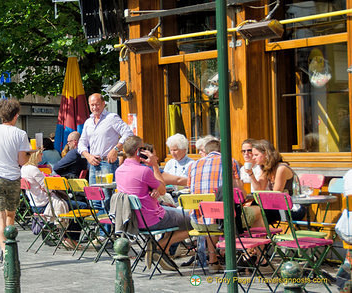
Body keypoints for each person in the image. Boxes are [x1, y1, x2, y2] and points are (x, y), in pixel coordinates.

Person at [116, 135, 191, 271]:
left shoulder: (119, 171)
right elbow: (162, 190)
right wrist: (155, 165)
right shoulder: (144, 170)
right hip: (152, 219)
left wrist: (152, 190)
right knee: (195, 221)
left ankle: (164, 251)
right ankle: (160, 246)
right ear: (139, 151)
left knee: (176, 217)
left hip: (132, 220)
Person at [187, 138, 261, 273]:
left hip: (197, 222)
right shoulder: (230, 162)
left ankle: (213, 261)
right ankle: (253, 255)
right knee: (258, 211)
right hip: (224, 220)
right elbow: (240, 195)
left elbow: (189, 188)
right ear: (222, 151)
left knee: (210, 217)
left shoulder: (193, 165)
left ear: (206, 152)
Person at [0, 99, 30, 263]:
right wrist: (31, 154)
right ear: (16, 116)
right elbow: (22, 161)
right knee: (11, 215)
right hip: (13, 177)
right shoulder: (20, 134)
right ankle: (8, 247)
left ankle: (4, 251)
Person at [78, 93, 133, 209]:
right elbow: (81, 143)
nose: (94, 108)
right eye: (92, 105)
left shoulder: (111, 118)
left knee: (108, 199)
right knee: (94, 199)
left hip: (107, 162)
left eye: (97, 104)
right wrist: (87, 156)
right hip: (93, 163)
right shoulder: (88, 122)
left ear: (103, 104)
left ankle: (110, 226)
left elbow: (128, 133)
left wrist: (116, 149)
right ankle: (99, 226)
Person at [246, 139, 306, 222]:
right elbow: (259, 189)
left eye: (256, 155)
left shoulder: (281, 169)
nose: (253, 158)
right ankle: (260, 233)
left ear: (266, 154)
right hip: (279, 206)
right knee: (252, 208)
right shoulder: (266, 168)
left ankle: (263, 233)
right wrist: (251, 174)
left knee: (257, 211)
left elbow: (276, 194)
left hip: (293, 208)